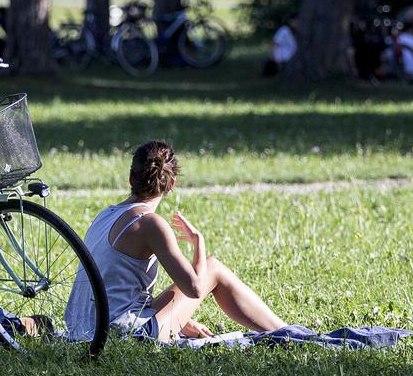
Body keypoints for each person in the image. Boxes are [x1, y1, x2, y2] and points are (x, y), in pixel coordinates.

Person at [64, 141, 287, 343]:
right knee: (213, 268)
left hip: (83, 328)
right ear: (172, 184)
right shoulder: (149, 223)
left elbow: (117, 289)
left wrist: (178, 318)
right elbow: (195, 288)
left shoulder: (106, 215)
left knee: (198, 276)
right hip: (121, 334)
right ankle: (285, 332)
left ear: (132, 178)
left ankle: (282, 330)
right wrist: (199, 243)